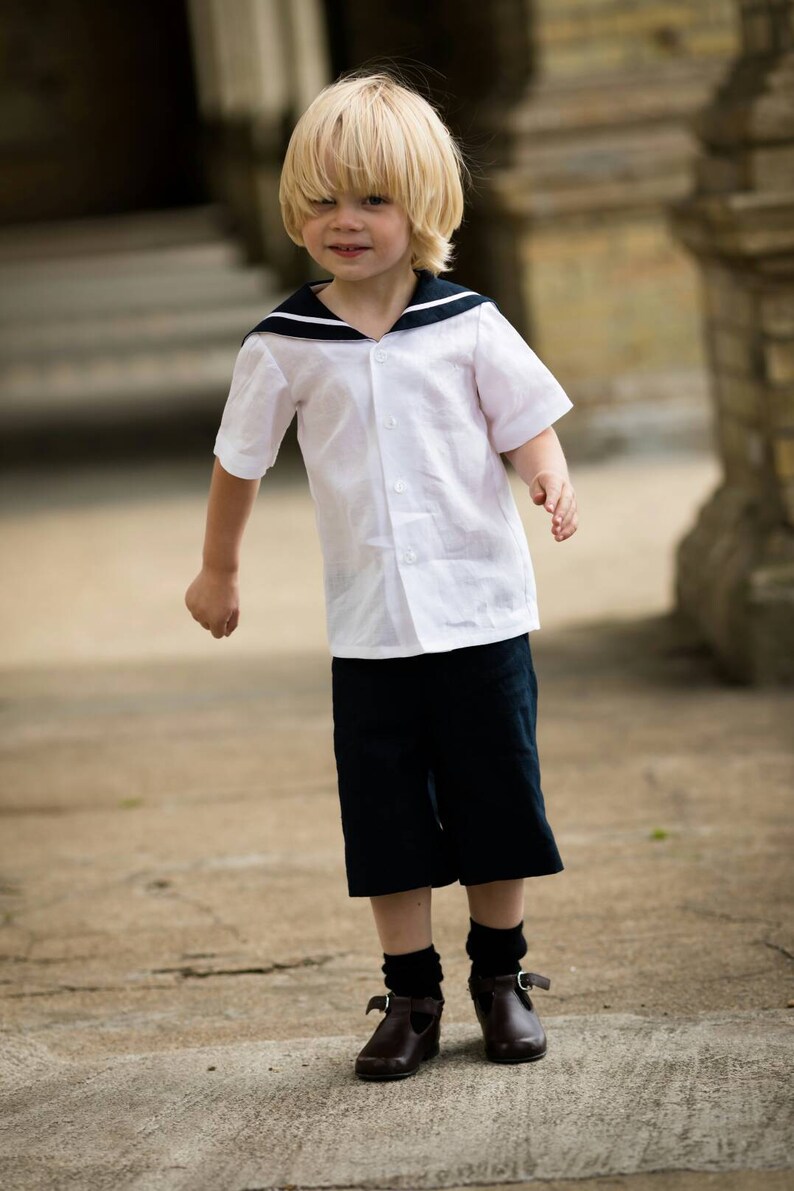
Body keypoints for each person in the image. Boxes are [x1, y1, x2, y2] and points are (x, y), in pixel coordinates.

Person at [185, 70, 578, 1081]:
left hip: (480, 611)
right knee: (388, 813)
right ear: (293, 212)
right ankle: (409, 992)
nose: (343, 221)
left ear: (425, 207)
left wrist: (547, 479)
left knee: (496, 800)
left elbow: (524, 420)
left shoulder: (467, 324)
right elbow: (239, 464)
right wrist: (215, 571)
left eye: (372, 199)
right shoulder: (284, 346)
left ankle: (500, 977)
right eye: (320, 200)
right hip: (369, 632)